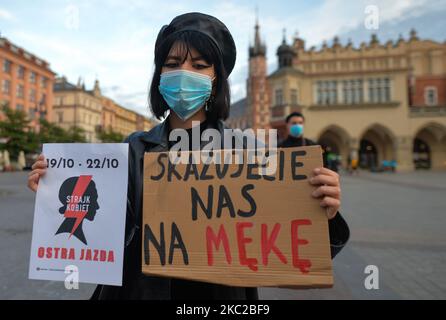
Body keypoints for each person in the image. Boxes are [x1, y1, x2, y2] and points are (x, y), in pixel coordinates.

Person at [27, 12, 349, 300]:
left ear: (215, 78)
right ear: (159, 75)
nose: (184, 73)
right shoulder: (132, 148)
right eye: (172, 64)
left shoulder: (250, 153)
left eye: (198, 65)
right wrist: (56, 188)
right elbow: (100, 229)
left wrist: (324, 210)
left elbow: (290, 244)